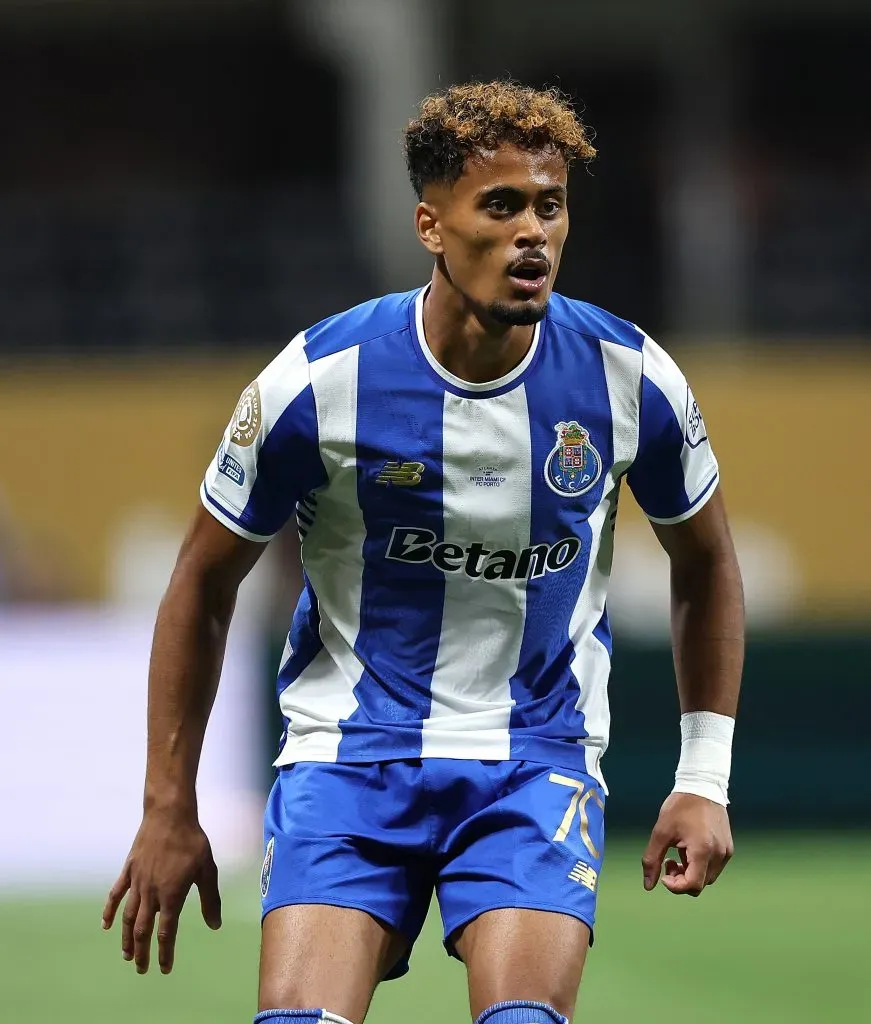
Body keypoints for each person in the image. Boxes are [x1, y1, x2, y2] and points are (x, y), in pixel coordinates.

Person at [102, 81, 744, 1024]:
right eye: (501, 206)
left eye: (549, 206)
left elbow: (706, 565)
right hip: (347, 761)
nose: (533, 233)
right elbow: (201, 582)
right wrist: (168, 806)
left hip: (535, 758)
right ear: (431, 226)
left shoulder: (629, 376)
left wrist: (702, 778)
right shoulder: (321, 382)